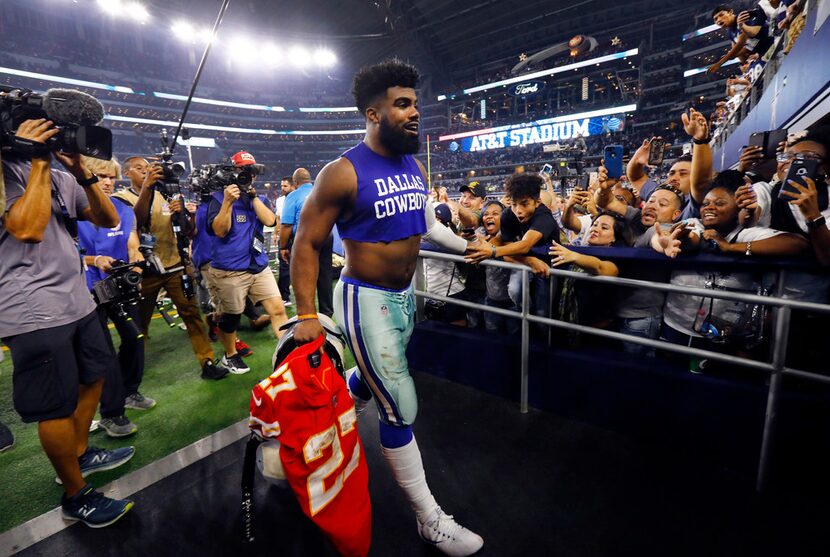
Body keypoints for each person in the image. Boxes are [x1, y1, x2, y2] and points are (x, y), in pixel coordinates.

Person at [289, 59, 484, 556]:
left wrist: (468, 248)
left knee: (375, 378)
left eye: (415, 103)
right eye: (402, 104)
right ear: (373, 113)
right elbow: (305, 245)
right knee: (401, 407)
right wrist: (307, 316)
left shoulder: (414, 166)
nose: (415, 112)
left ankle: (341, 412)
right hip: (364, 300)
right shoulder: (341, 172)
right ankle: (429, 518)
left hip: (403, 299)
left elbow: (425, 225)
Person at [1, 118, 135, 527]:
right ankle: (75, 495)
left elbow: (108, 218)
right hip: (31, 310)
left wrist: (82, 174)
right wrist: (38, 162)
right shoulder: (7, 173)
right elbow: (26, 228)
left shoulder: (62, 176)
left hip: (77, 299)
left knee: (94, 376)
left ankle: (79, 455)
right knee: (55, 406)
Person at [114, 157, 226, 380]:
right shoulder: (121, 198)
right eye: (138, 169)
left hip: (175, 265)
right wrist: (147, 186)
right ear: (127, 173)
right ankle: (131, 372)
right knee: (140, 324)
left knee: (192, 315)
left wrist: (182, 212)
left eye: (147, 168)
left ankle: (207, 361)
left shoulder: (164, 194)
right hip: (144, 272)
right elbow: (136, 221)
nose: (145, 172)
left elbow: (187, 230)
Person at [77, 156, 152, 439]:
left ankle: (130, 390)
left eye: (111, 177)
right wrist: (95, 260)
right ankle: (112, 413)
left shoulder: (123, 209)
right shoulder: (70, 211)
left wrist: (136, 259)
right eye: (100, 176)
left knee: (135, 339)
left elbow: (132, 243)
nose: (107, 182)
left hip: (120, 286)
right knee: (104, 353)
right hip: (86, 290)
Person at [207, 151, 288, 374]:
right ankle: (230, 355)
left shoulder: (258, 199)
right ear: (232, 172)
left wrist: (251, 196)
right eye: (242, 170)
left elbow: (271, 221)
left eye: (251, 171)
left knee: (278, 309)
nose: (247, 176)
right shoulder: (216, 199)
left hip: (258, 265)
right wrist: (228, 202)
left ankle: (287, 353)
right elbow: (220, 231)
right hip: (230, 270)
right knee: (231, 317)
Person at [279, 167, 334, 317]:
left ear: (295, 182)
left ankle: (307, 315)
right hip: (326, 235)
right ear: (309, 180)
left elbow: (286, 225)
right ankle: (327, 313)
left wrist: (283, 246)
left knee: (303, 275)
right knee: (325, 274)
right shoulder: (322, 192)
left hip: (305, 237)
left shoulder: (293, 196)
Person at [709, 4, 774, 74]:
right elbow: (739, 53)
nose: (719, 20)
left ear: (730, 12)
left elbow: (741, 43)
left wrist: (720, 63)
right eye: (715, 19)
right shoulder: (730, 33)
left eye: (721, 15)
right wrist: (733, 56)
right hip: (766, 54)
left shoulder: (742, 17)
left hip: (775, 43)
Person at [274, 175, 295, 305]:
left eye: (285, 186)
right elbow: (278, 218)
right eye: (281, 186)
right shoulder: (280, 200)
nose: (282, 188)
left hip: (296, 235)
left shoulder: (298, 198)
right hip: (285, 236)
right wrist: (276, 234)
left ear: (293, 186)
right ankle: (284, 296)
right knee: (284, 266)